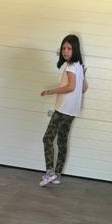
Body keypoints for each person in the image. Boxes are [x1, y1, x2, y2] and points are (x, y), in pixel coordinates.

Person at [39, 34, 88, 186]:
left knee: (47, 138)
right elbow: (83, 88)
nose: (65, 51)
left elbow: (71, 87)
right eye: (64, 48)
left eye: (69, 48)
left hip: (63, 109)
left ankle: (50, 173)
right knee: (61, 141)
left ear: (75, 50)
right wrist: (83, 76)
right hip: (72, 111)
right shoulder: (79, 66)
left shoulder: (71, 66)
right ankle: (57, 174)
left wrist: (50, 91)